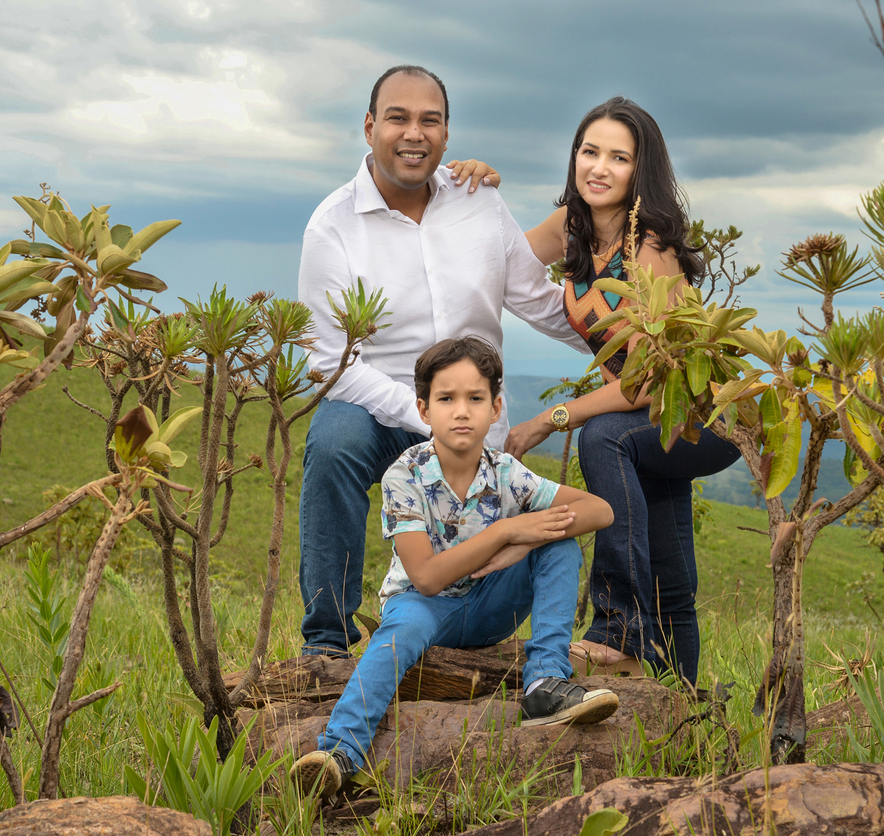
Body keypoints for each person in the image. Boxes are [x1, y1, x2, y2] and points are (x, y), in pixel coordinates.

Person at [296, 65, 590, 657]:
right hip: (379, 411)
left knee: (500, 555)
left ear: (448, 134)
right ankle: (326, 644)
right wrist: (421, 410)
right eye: (398, 118)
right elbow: (328, 361)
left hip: (473, 420)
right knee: (333, 442)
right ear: (369, 126)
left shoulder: (480, 204)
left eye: (430, 120)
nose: (414, 133)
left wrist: (629, 348)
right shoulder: (333, 226)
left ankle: (492, 643)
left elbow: (536, 298)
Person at [454, 98, 742, 685]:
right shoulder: (572, 226)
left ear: (642, 170)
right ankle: (683, 709)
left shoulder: (652, 251)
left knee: (603, 435)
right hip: (651, 430)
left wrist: (547, 420)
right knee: (670, 574)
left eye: (619, 157)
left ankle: (617, 631)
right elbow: (499, 251)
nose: (599, 168)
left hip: (703, 420)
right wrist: (478, 189)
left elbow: (641, 384)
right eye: (590, 152)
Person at [290, 337, 618, 799]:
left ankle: (545, 683)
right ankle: (340, 751)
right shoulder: (405, 475)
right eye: (446, 399)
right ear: (423, 410)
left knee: (558, 545)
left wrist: (524, 544)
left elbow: (599, 511)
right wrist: (505, 533)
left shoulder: (505, 472)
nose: (461, 411)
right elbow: (425, 576)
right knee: (397, 633)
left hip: (489, 607)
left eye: (475, 398)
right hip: (422, 608)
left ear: (496, 407)